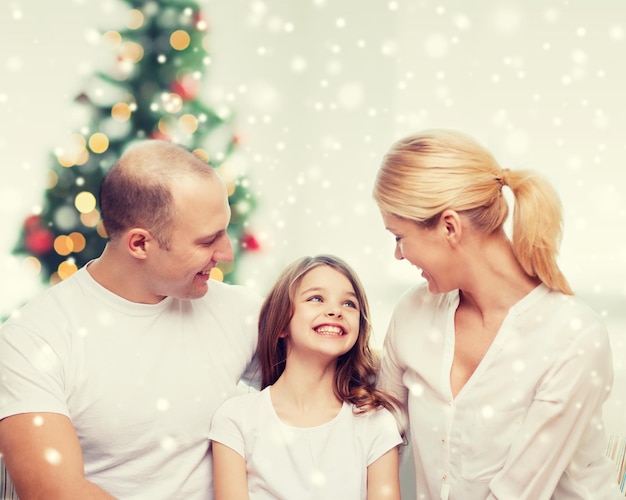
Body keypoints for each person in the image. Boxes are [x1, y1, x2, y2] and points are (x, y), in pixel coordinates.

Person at [0, 140, 262, 499]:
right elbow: (54, 491)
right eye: (207, 240)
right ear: (139, 244)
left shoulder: (242, 312)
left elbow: (346, 378)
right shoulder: (33, 339)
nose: (227, 253)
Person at [372, 129, 623, 500]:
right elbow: (379, 434)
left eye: (398, 236)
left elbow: (517, 492)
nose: (398, 255)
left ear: (449, 227)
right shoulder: (413, 312)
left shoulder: (573, 336)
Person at [209, 255, 404, 499]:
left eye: (349, 304)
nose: (335, 311)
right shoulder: (235, 420)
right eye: (316, 298)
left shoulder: (375, 423)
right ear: (281, 325)